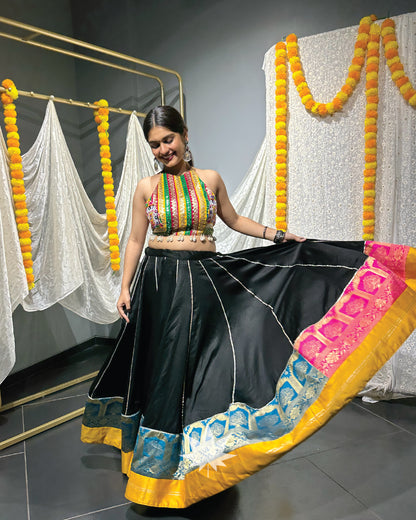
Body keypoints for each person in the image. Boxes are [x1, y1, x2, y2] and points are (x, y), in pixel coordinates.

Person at [82, 106, 416, 509]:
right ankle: (155, 464)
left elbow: (234, 219)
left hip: (201, 280)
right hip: (158, 283)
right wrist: (124, 287)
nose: (162, 150)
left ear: (185, 135)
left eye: (168, 139)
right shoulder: (145, 187)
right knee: (163, 367)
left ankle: (196, 457)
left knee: (202, 362)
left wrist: (278, 235)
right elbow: (135, 240)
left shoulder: (210, 180)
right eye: (155, 145)